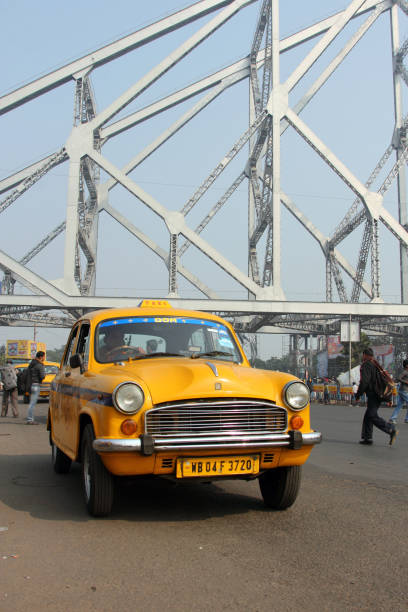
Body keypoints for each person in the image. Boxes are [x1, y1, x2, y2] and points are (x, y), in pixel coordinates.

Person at [355, 348, 398, 445]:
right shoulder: (375, 364)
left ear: (365, 355)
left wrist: (358, 394)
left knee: (372, 415)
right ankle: (367, 438)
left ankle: (390, 430)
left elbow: (364, 382)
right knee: (368, 416)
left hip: (373, 394)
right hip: (378, 393)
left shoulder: (366, 365)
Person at [25, 350, 45, 425]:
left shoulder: (32, 363)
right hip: (36, 385)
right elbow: (42, 376)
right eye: (43, 356)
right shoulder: (39, 365)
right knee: (32, 404)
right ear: (40, 357)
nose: (44, 358)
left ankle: (30, 419)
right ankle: (30, 419)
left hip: (30, 384)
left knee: (31, 403)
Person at [389, 358, 408, 425]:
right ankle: (406, 419)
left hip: (404, 391)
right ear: (406, 365)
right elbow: (398, 378)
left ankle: (393, 418)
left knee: (399, 406)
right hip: (403, 391)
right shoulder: (405, 372)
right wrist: (406, 382)